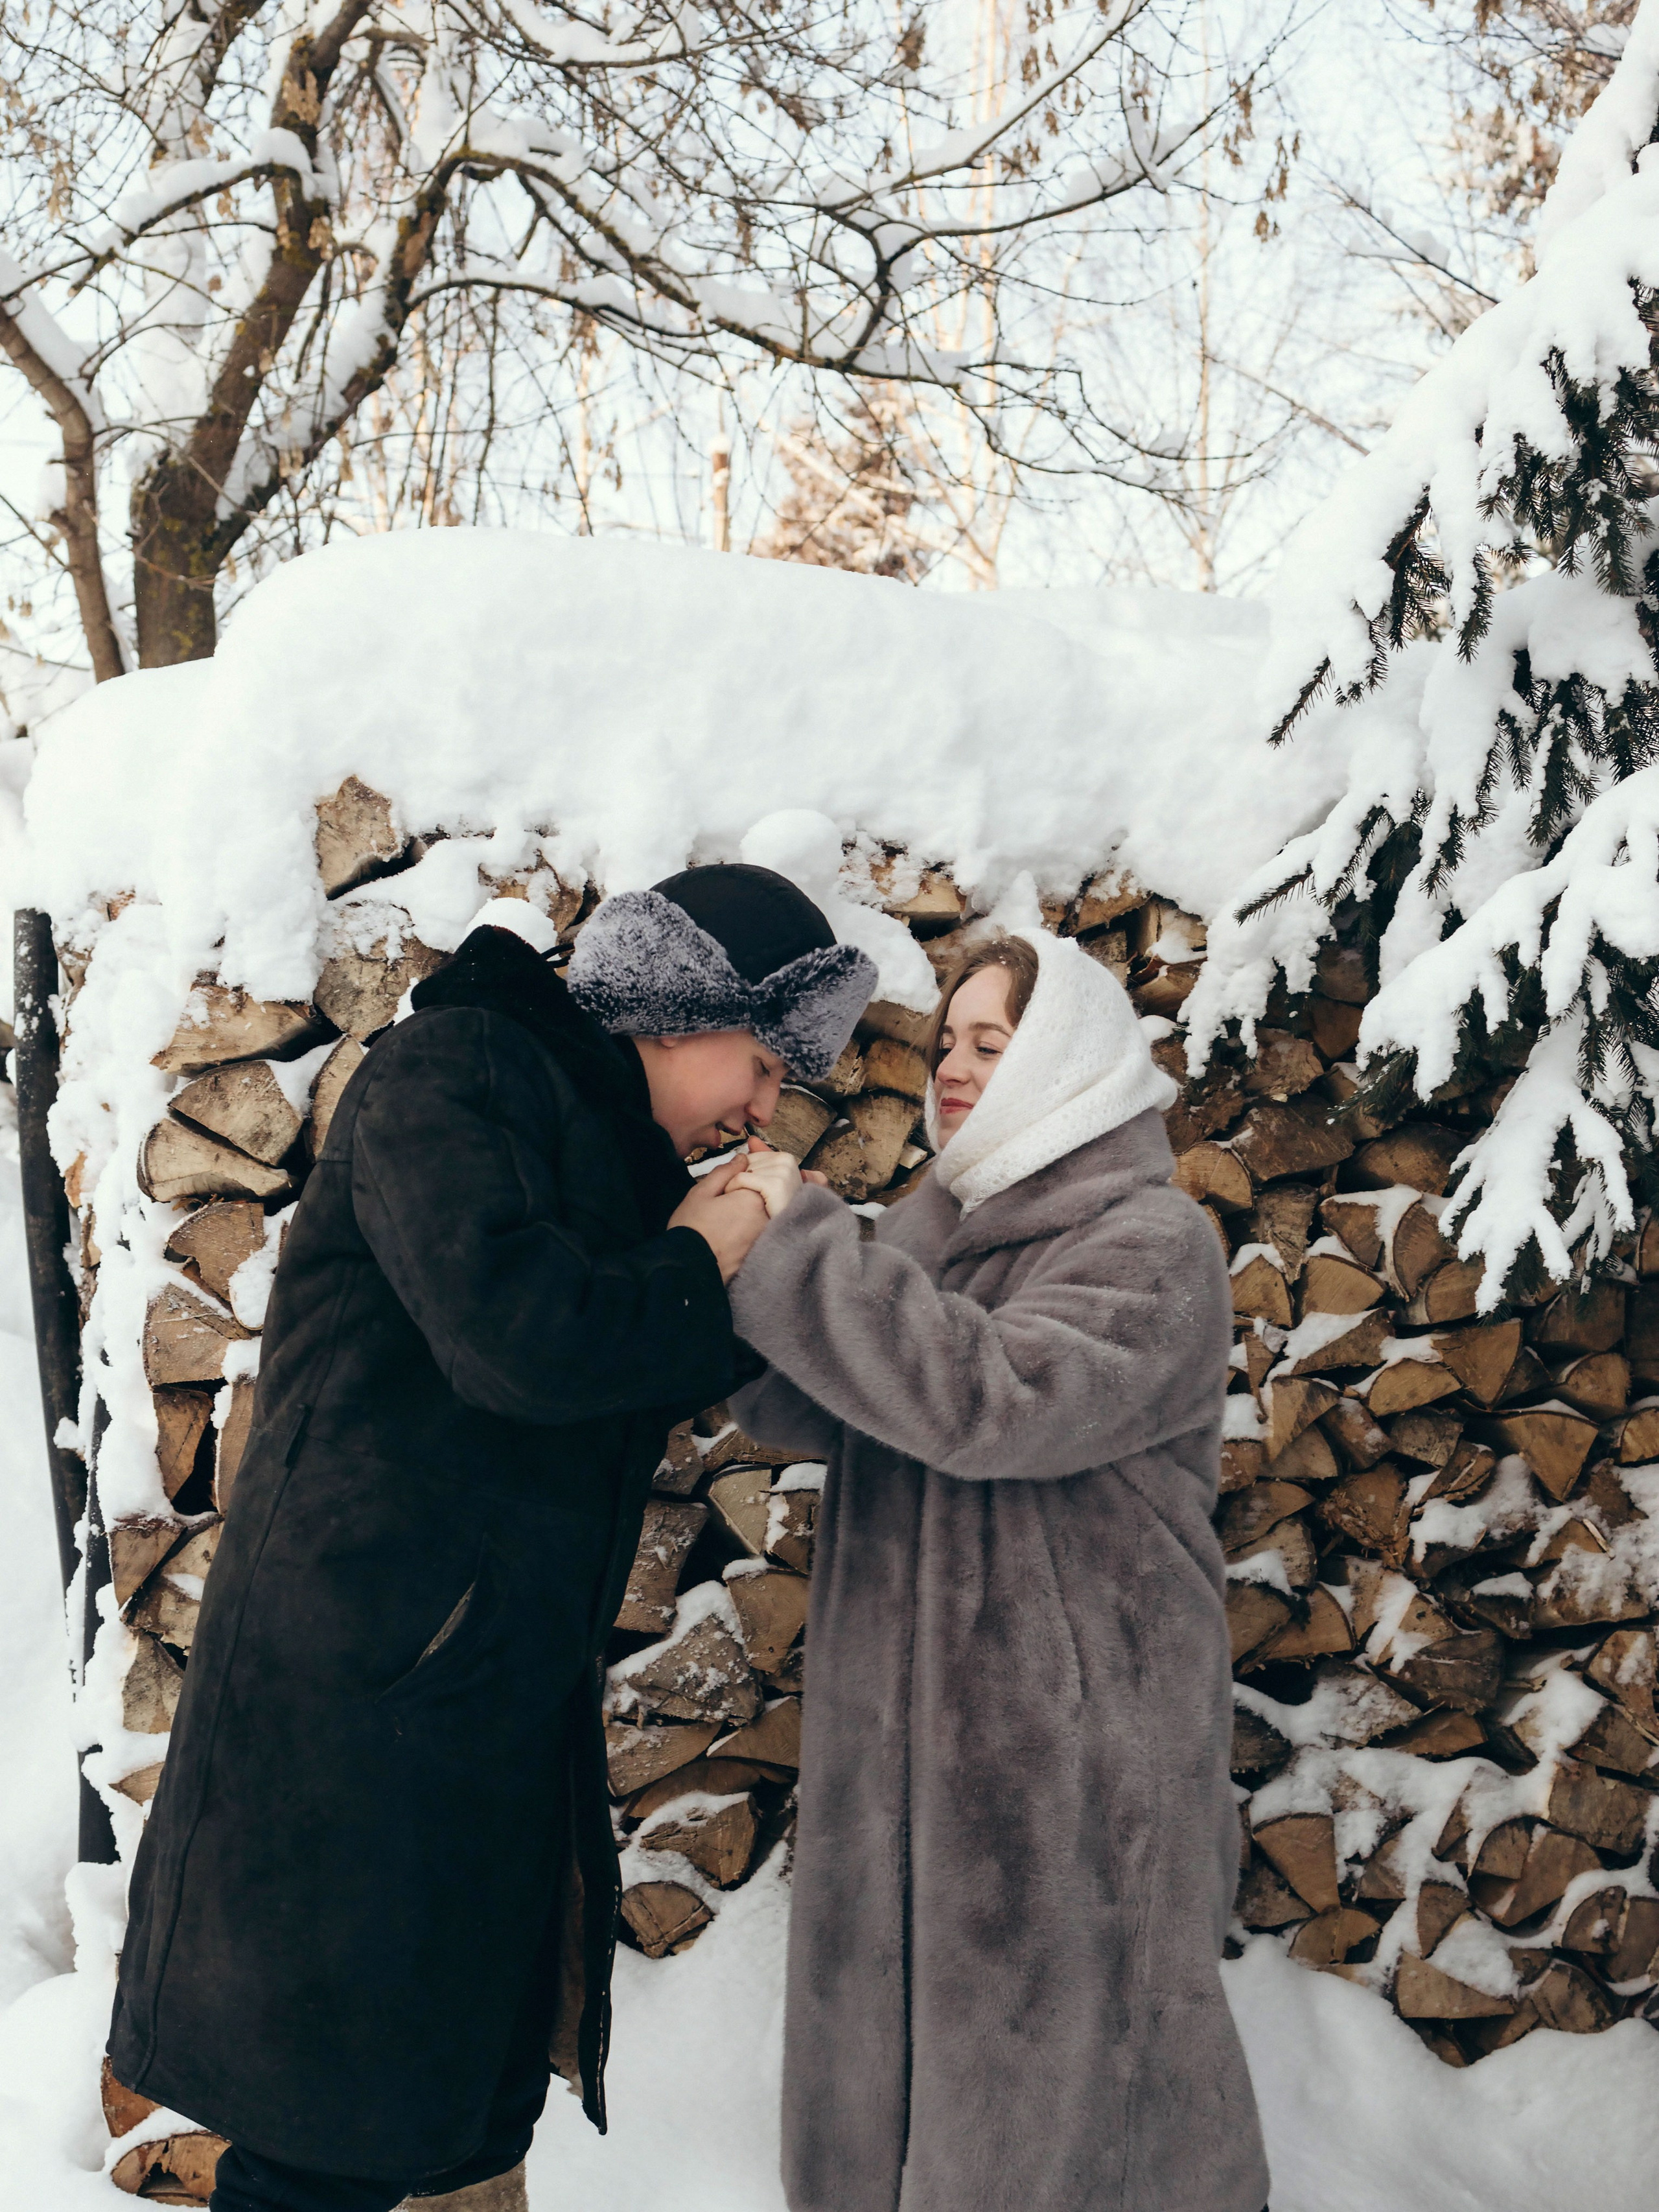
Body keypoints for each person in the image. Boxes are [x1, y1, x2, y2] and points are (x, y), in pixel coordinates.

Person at [107, 864, 876, 2212]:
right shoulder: (455, 1070)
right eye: (756, 1063)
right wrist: (698, 1257)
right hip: (364, 1701)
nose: (759, 1110)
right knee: (323, 2141)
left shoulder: (584, 1136)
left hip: (458, 1707)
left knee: (440, 2121)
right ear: (678, 1005)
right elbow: (522, 1340)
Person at [726, 926, 1270, 2212]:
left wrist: (796, 1240)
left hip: (1069, 1749)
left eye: (993, 1043)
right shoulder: (936, 1229)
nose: (954, 1071)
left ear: (1070, 1059)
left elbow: (998, 1400)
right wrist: (725, 1261)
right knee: (912, 2071)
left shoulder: (1152, 1241)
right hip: (908, 1746)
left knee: (1074, 2091)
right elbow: (807, 1405)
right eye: (949, 1044)